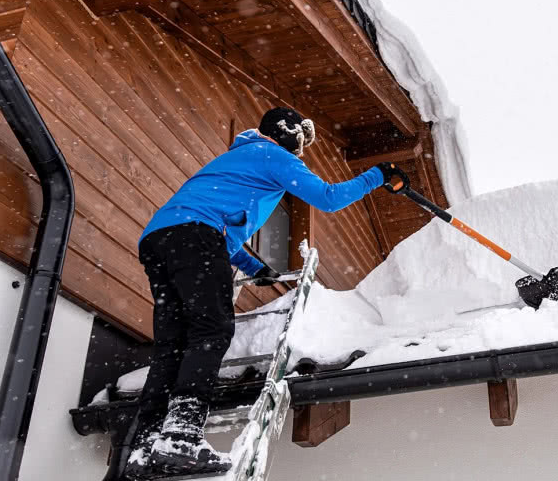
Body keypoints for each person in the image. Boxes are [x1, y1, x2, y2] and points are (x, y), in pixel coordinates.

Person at [125, 107, 398, 479]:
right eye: (300, 138)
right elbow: (329, 198)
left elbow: (222, 232)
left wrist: (257, 269)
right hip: (196, 237)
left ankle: (146, 442)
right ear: (283, 131)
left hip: (160, 240)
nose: (301, 149)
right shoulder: (273, 154)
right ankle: (181, 435)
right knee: (212, 329)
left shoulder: (239, 158)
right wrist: (378, 175)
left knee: (173, 343)